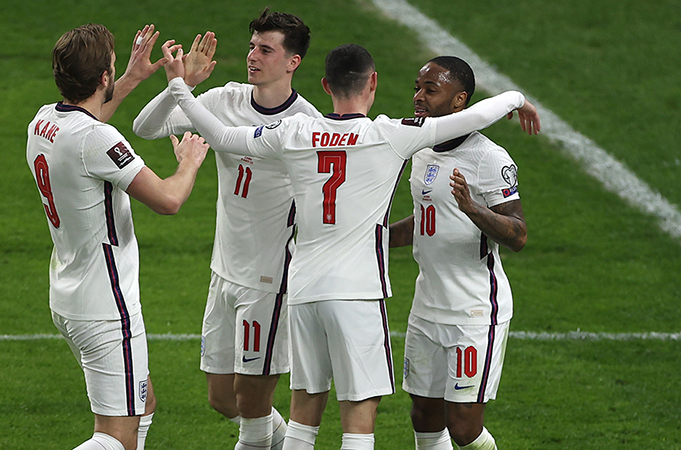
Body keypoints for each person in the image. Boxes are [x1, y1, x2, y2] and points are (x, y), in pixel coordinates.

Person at [160, 43, 539, 450]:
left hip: (303, 289)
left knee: (303, 416)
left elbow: (219, 134)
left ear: (325, 85)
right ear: (373, 83)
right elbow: (476, 116)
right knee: (358, 421)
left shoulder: (294, 131)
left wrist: (179, 86)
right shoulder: (390, 134)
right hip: (357, 293)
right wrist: (516, 98)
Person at [132, 9, 320, 450]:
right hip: (223, 270)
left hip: (269, 280)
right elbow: (145, 128)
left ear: (292, 62)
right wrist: (184, 86)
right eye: (252, 46)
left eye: (266, 50)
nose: (253, 56)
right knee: (222, 399)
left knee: (251, 406)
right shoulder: (226, 99)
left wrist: (183, 90)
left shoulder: (306, 124)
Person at [25, 23, 209, 450]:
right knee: (114, 437)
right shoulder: (96, 139)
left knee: (143, 406)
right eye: (112, 64)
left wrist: (132, 78)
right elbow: (168, 200)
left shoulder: (44, 121)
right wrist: (189, 161)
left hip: (70, 296)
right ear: (102, 76)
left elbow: (88, 128)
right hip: (107, 307)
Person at [388, 56, 527, 450]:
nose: (418, 97)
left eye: (430, 90)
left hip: (474, 311)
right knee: (423, 414)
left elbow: (518, 235)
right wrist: (374, 238)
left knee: (463, 428)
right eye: (417, 87)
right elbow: (425, 220)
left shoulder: (488, 158)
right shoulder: (421, 148)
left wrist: (473, 209)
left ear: (459, 100)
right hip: (427, 305)